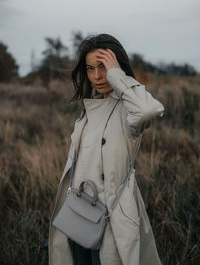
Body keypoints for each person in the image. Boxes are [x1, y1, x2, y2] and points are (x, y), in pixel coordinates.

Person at [48, 33, 164, 265]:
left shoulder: (127, 110)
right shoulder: (89, 109)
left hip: (111, 218)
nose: (97, 76)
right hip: (79, 214)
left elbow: (149, 110)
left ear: (117, 67)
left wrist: (117, 75)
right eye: (91, 68)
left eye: (104, 67)